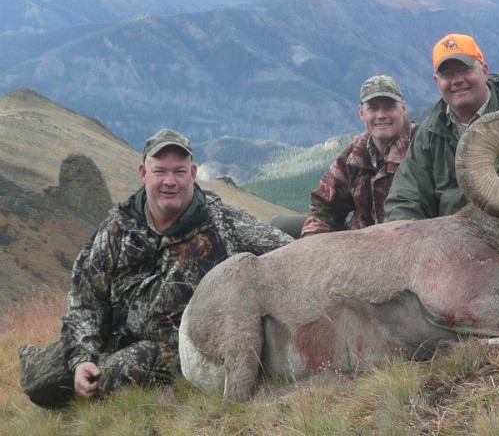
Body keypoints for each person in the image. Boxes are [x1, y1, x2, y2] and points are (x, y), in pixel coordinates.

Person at [18, 128, 294, 408]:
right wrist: (82, 358)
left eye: (179, 172)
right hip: (113, 335)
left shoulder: (225, 224)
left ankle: (98, 384)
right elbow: (85, 303)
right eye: (160, 171)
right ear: (143, 173)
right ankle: (38, 360)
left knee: (125, 369)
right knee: (39, 381)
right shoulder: (117, 228)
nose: (170, 182)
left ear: (193, 173)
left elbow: (289, 254)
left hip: (183, 347)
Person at [384, 33, 499, 221]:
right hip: (447, 243)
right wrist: (402, 236)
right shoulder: (430, 134)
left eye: (465, 69)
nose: (457, 80)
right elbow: (406, 199)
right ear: (436, 81)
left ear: (485, 70)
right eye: (447, 74)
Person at [300, 75, 415, 235]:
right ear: (361, 113)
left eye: (389, 107)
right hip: (361, 245)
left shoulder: (423, 146)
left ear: (403, 109)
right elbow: (324, 208)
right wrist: (311, 244)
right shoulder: (354, 154)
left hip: (411, 242)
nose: (381, 115)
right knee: (282, 225)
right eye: (373, 108)